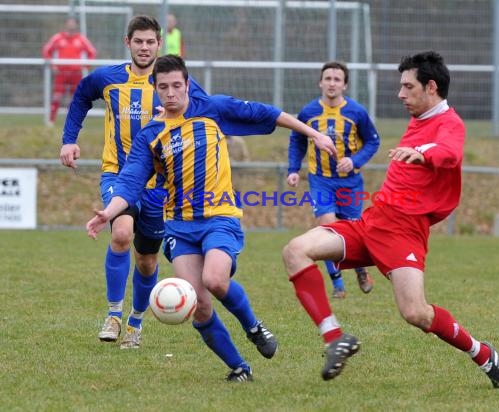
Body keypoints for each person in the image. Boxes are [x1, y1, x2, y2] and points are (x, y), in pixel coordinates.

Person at [86, 54, 337, 382]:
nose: (171, 93)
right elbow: (131, 180)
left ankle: (253, 326)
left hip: (220, 216)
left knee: (216, 279)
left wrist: (313, 135)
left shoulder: (212, 110)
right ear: (155, 89)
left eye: (177, 85)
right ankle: (239, 368)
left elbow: (268, 114)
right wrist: (109, 211)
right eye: (164, 87)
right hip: (179, 226)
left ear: (188, 85)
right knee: (199, 306)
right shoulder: (151, 135)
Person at [282, 51, 499, 389]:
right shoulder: (420, 116)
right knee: (295, 250)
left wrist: (424, 154)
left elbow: (450, 153)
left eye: (408, 87)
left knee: (416, 314)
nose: (400, 95)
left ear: (430, 87)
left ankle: (482, 353)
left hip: (405, 233)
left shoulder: (450, 124)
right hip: (372, 221)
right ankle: (335, 337)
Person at [60, 16, 206, 350]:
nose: (144, 47)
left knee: (147, 261)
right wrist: (69, 139)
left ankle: (135, 324)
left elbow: (203, 113)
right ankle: (113, 314)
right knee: (122, 234)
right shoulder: (108, 79)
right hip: (117, 173)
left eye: (150, 42)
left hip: (158, 186)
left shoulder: (173, 82)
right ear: (128, 43)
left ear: (159, 44)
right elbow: (82, 95)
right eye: (138, 41)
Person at [287, 61, 380, 299]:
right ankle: (338, 284)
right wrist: (293, 169)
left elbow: (373, 141)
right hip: (320, 180)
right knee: (328, 227)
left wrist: (355, 161)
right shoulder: (308, 112)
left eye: (337, 79)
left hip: (350, 182)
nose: (332, 83)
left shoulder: (356, 112)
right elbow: (297, 140)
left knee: (354, 231)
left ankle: (360, 269)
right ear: (320, 82)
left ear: (345, 85)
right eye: (327, 78)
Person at [42, 16, 97, 126]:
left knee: (75, 99)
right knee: (57, 96)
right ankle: (51, 121)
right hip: (61, 72)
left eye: (73, 23)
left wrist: (85, 66)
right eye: (69, 23)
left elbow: (92, 52)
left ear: (76, 25)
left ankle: (72, 122)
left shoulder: (81, 39)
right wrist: (53, 65)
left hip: (76, 73)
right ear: (66, 24)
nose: (71, 25)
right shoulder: (58, 38)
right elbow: (46, 50)